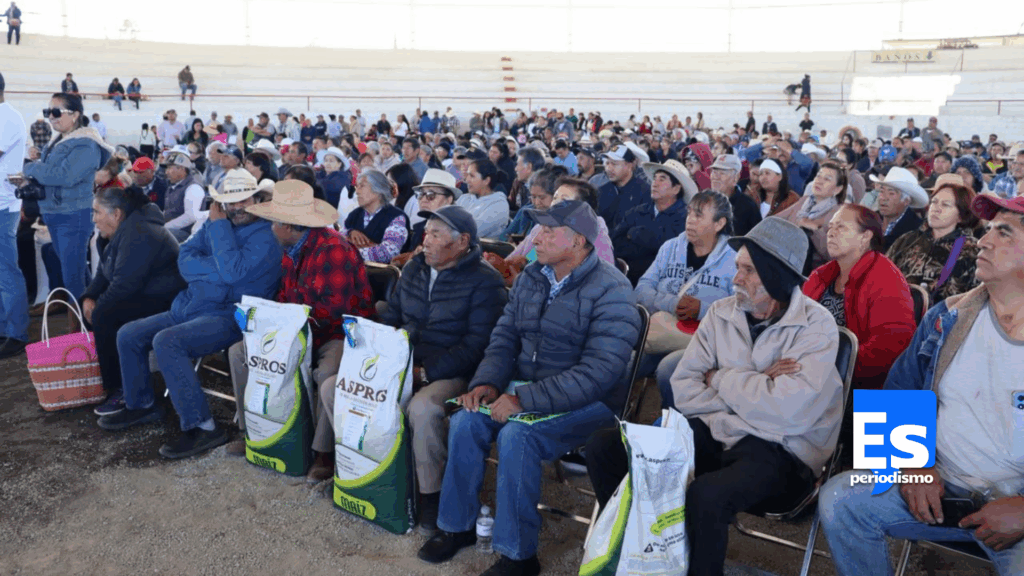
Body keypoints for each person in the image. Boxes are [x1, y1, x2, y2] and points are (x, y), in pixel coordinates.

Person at [587, 216, 842, 576]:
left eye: (749, 271)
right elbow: (684, 387)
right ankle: (641, 560)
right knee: (606, 447)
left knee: (706, 496)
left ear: (776, 276)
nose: (737, 279)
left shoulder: (815, 326)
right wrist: (757, 386)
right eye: (738, 267)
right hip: (716, 430)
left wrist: (719, 379)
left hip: (781, 450)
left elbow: (790, 414)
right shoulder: (724, 312)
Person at [417, 200, 641, 576]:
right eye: (541, 229)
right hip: (528, 386)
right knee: (466, 421)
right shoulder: (534, 276)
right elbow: (504, 337)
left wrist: (524, 399)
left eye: (551, 231)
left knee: (518, 436)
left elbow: (599, 372)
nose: (539, 236)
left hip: (593, 402)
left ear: (580, 242)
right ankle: (455, 527)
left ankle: (519, 555)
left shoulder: (612, 289)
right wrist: (487, 382)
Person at [818, 194, 1024, 576]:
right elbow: (896, 392)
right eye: (989, 229)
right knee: (840, 500)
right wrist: (912, 464)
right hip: (938, 485)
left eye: (1004, 233)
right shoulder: (946, 319)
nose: (984, 240)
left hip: (1015, 508)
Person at [96, 169, 282, 460]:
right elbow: (184, 259)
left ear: (257, 198)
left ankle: (204, 426)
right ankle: (142, 404)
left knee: (168, 342)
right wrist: (216, 269)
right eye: (229, 202)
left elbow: (233, 274)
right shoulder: (217, 224)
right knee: (128, 334)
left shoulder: (265, 236)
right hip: (193, 305)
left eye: (243, 200)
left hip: (234, 314)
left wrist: (218, 238)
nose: (236, 207)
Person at [359, 205, 507, 534]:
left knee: (423, 408)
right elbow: (394, 315)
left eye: (436, 234)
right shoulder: (415, 267)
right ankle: (361, 472)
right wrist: (377, 347)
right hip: (408, 356)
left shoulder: (486, 282)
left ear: (462, 241)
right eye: (426, 232)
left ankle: (432, 497)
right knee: (347, 383)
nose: (425, 240)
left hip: (453, 369)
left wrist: (423, 374)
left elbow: (476, 346)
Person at [224, 178, 374, 481]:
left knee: (327, 373)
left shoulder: (333, 249)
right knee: (240, 351)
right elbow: (285, 295)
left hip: (339, 332)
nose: (269, 227)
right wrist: (277, 323)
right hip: (300, 328)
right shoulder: (291, 248)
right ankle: (252, 429)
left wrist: (287, 330)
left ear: (288, 226)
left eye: (273, 222)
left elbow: (335, 310)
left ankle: (323, 453)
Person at [84, 186, 185, 415]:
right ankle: (116, 383)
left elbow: (124, 285)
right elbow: (104, 271)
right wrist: (90, 296)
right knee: (100, 310)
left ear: (116, 214)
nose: (94, 219)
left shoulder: (139, 231)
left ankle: (119, 389)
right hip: (144, 294)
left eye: (97, 212)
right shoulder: (124, 229)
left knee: (105, 315)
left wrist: (98, 306)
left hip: (165, 301)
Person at [22, 93, 113, 323]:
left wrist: (32, 168)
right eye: (47, 112)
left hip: (72, 215)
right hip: (58, 213)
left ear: (75, 115)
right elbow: (61, 168)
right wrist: (41, 156)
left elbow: (65, 175)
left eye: (56, 112)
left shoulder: (86, 143)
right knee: (76, 273)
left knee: (72, 277)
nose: (50, 117)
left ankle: (78, 333)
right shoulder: (65, 139)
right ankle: (88, 329)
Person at [803, 204, 915, 390]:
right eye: (830, 227)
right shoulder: (820, 276)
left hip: (864, 389)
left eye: (841, 227)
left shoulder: (886, 278)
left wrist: (826, 367)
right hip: (815, 375)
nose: (831, 232)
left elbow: (891, 346)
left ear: (865, 236)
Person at [636, 190, 737, 385]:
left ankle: (674, 416)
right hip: (662, 332)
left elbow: (740, 309)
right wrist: (673, 303)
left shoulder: (734, 258)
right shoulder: (671, 247)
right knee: (625, 364)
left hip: (703, 340)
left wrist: (702, 310)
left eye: (699, 215)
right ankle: (609, 413)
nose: (690, 220)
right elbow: (642, 289)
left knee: (668, 370)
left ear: (719, 223)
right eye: (689, 213)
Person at [887, 177, 981, 301]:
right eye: (934, 202)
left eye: (945, 205)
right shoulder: (908, 239)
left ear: (961, 216)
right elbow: (883, 276)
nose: (936, 208)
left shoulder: (972, 250)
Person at [612, 159, 695, 285]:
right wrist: (651, 248)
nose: (654, 183)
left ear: (676, 189)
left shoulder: (686, 219)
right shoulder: (636, 211)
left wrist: (635, 234)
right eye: (654, 178)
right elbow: (616, 243)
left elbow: (671, 251)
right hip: (628, 281)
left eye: (662, 179)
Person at [776, 160, 849, 274]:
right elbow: (774, 220)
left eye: (827, 179)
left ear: (837, 189)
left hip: (813, 274)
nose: (819, 181)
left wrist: (814, 229)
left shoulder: (840, 212)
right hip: (784, 261)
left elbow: (834, 254)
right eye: (818, 176)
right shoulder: (804, 200)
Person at [0, 71, 28, 358]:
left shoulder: (8, 117)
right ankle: (4, 327)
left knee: (7, 271)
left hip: (4, 204)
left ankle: (17, 333)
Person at [392, 169, 461, 264]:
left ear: (448, 199)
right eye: (421, 194)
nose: (423, 200)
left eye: (430, 195)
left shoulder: (458, 230)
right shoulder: (420, 227)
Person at [341, 168, 409, 263]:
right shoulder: (355, 214)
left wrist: (349, 251)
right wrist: (350, 233)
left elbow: (388, 253)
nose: (357, 191)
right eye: (357, 186)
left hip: (378, 275)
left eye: (362, 186)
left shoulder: (397, 217)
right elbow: (338, 239)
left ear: (378, 190)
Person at [499, 166, 564, 242]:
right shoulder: (525, 212)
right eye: (533, 197)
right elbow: (503, 237)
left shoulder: (560, 219)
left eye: (542, 197)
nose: (537, 202)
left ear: (554, 196)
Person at [871, 166, 929, 250]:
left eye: (891, 193)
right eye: (882, 191)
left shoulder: (915, 230)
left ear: (906, 201)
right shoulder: (872, 218)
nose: (883, 197)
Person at [597, 144, 652, 230]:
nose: (609, 168)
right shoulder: (601, 191)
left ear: (629, 165)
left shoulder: (644, 191)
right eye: (607, 163)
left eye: (614, 164)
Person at [455, 158, 509, 239]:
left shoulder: (499, 205)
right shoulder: (464, 198)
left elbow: (473, 231)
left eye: (472, 176)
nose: (467, 180)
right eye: (468, 175)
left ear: (486, 180)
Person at [709, 153, 762, 236]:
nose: (716, 177)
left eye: (722, 173)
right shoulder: (704, 201)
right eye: (714, 172)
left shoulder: (748, 206)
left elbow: (757, 238)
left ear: (736, 178)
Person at [162, 150, 206, 241]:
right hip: (170, 230)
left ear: (182, 169)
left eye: (170, 168)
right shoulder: (172, 186)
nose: (166, 172)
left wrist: (165, 227)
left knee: (156, 236)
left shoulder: (193, 188)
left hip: (186, 233)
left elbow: (191, 216)